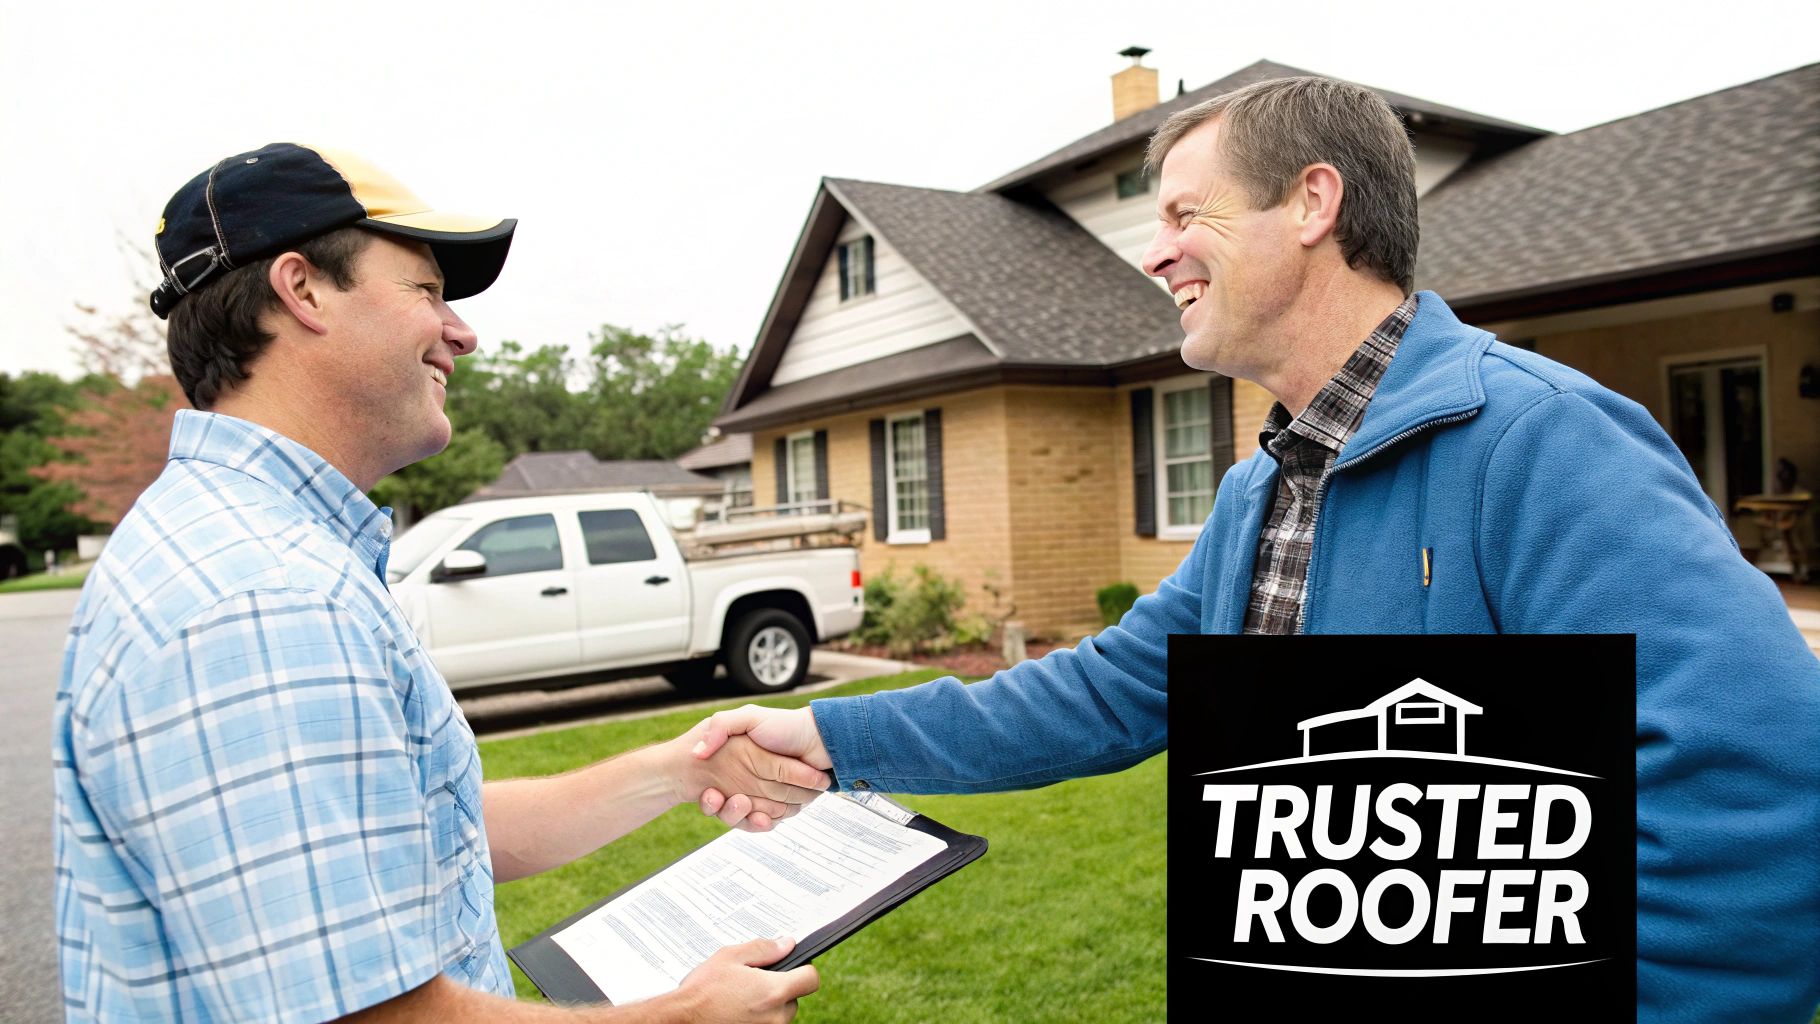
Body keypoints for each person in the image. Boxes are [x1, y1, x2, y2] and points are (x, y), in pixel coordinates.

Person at [691, 78, 1820, 1022]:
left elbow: (1754, 789)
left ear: (1311, 203)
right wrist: (829, 731)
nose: (1156, 254)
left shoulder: (1535, 441)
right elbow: (1103, 694)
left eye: (1184, 214)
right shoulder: (1260, 489)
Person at [54, 143, 826, 1023]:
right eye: (426, 290)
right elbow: (361, 1015)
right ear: (301, 291)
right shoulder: (263, 599)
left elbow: (425, 833)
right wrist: (684, 1017)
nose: (460, 331)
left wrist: (681, 771)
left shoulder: (252, 548)